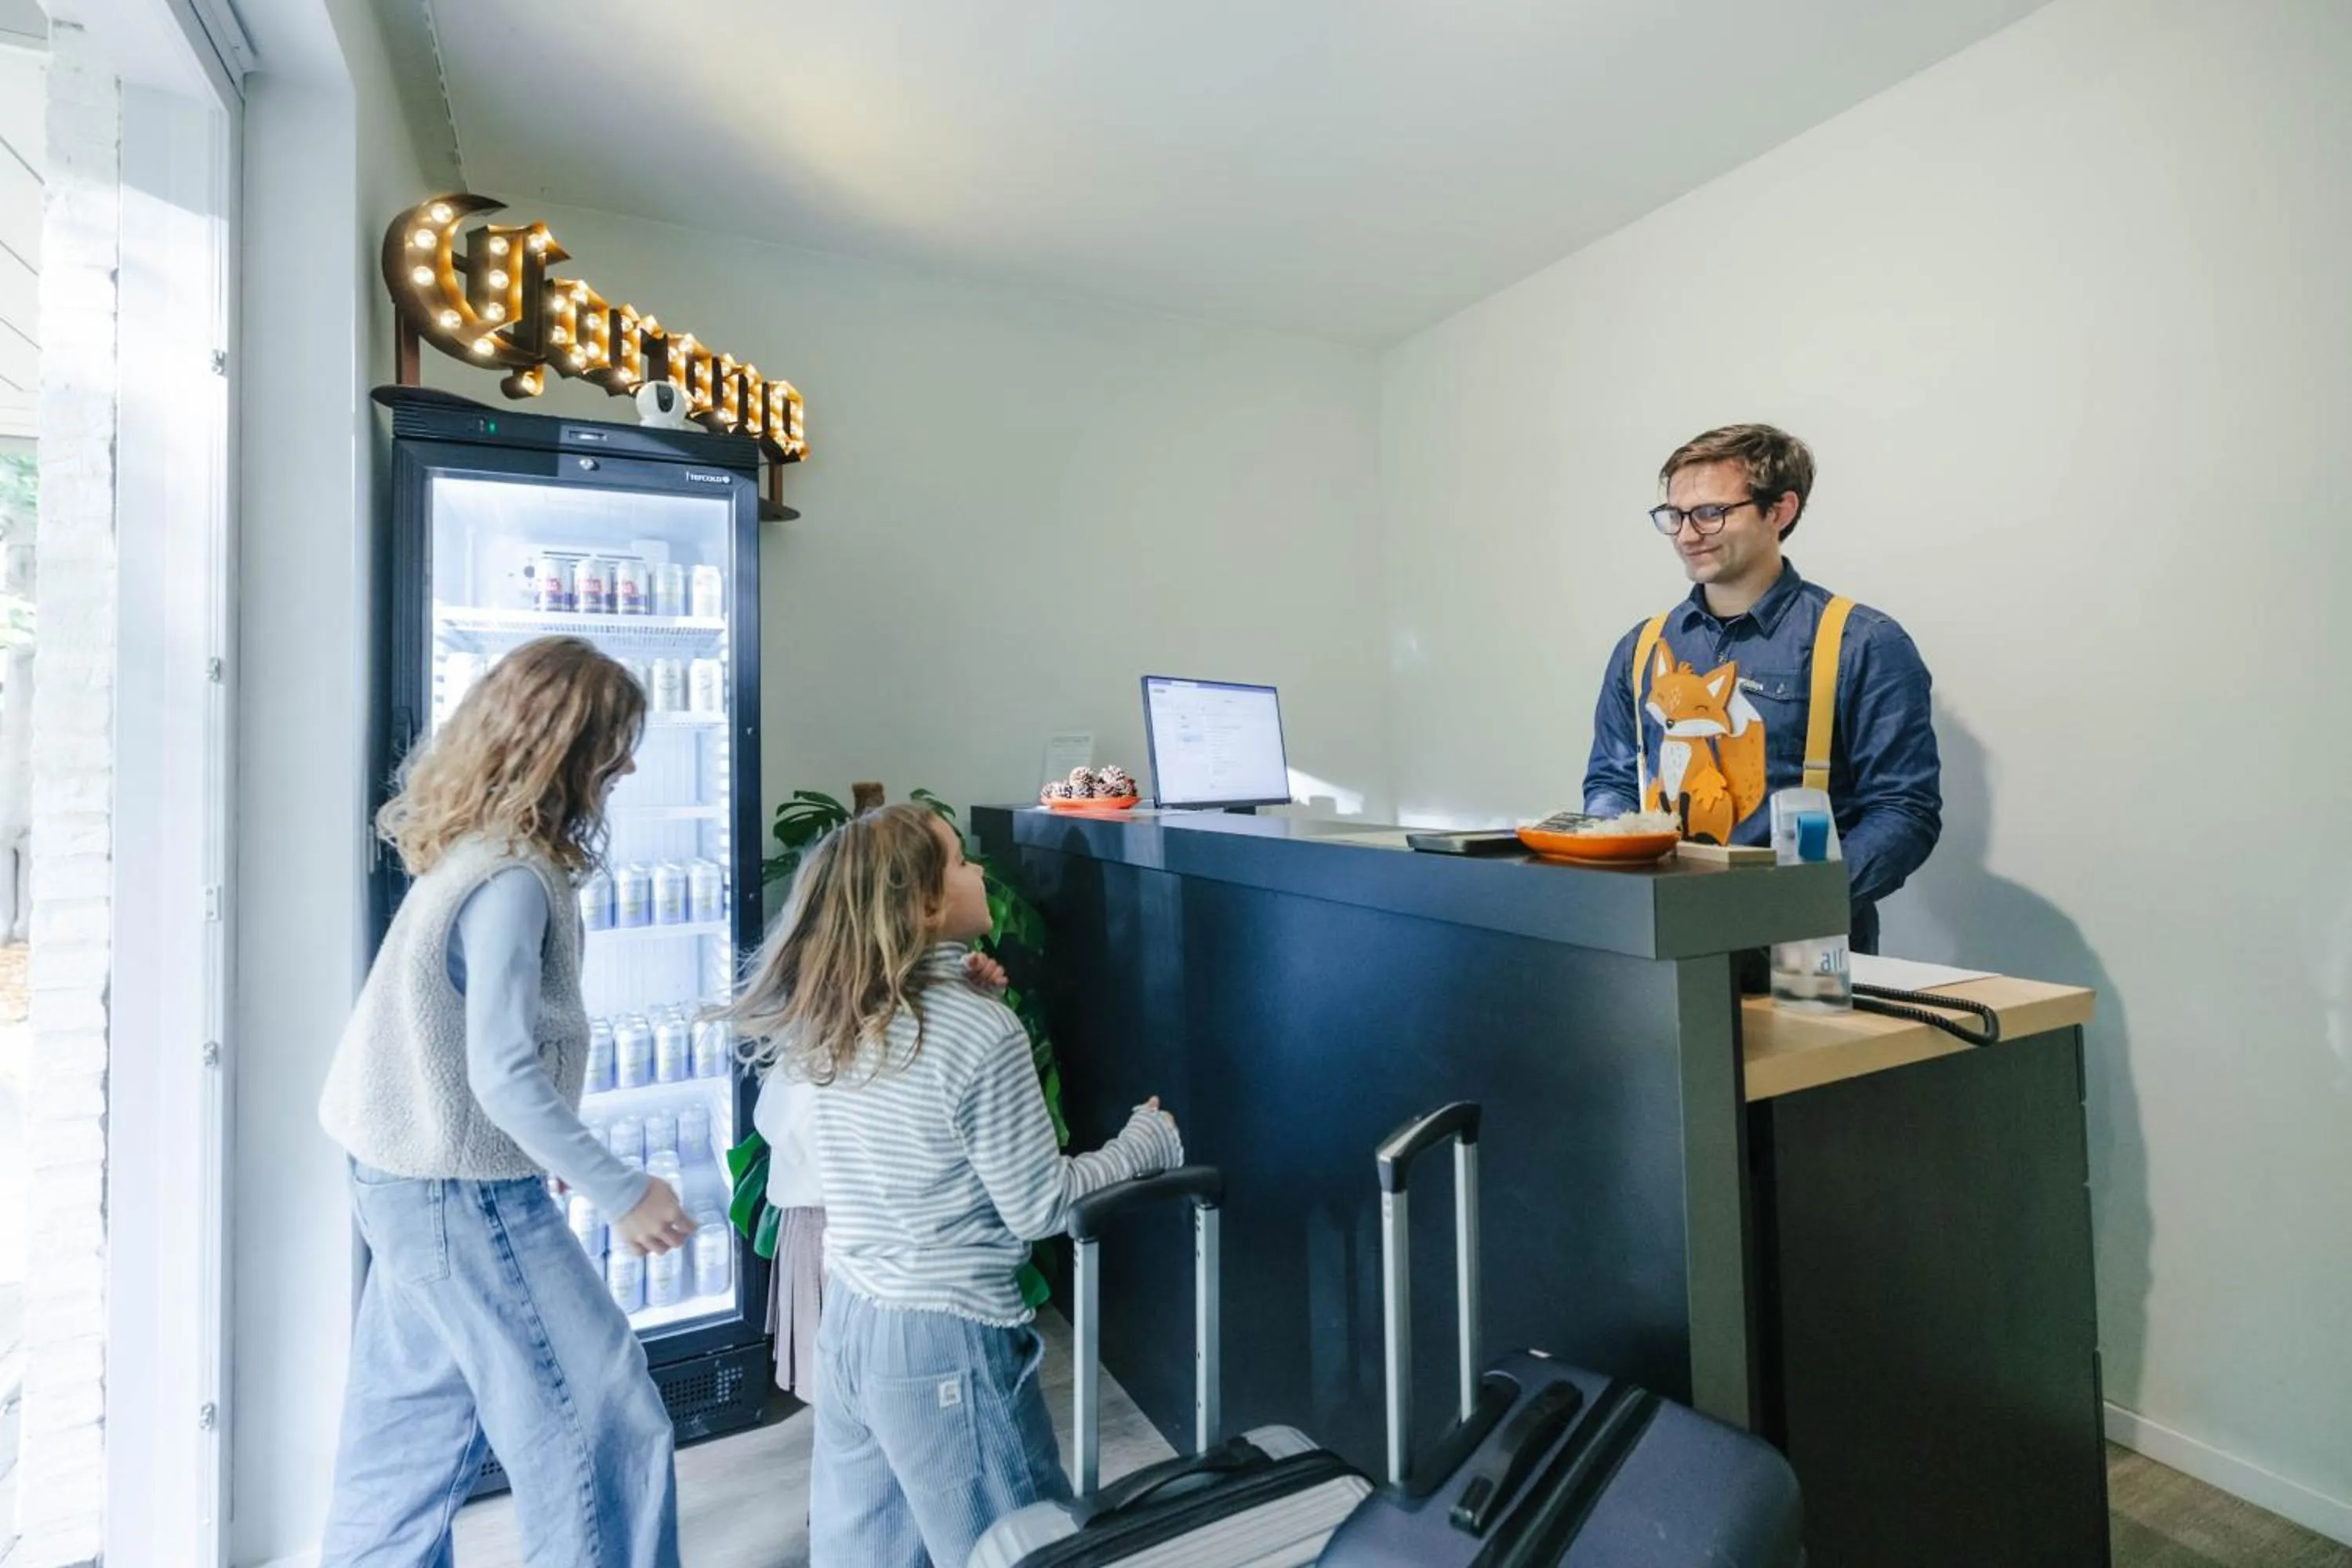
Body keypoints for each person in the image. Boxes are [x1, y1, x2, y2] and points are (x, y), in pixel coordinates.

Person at [727, 803, 1184, 1566]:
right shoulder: (978, 1030)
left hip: (852, 1321)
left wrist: (977, 1001)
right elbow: (1040, 1203)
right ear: (928, 904)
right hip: (944, 1338)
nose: (980, 871)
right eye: (963, 861)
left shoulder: (834, 1014)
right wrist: (1143, 1143)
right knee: (1020, 1549)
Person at [315, 635, 689, 1566]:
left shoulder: (472, 851)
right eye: (616, 742)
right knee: (604, 1425)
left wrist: (537, 1156)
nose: (630, 763)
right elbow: (502, 1072)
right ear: (566, 749)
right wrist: (620, 1187)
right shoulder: (515, 878)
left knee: (404, 1444)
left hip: (404, 1180)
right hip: (461, 1192)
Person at [1582, 424, 1941, 953]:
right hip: (1660, 941)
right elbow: (1613, 782)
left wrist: (1788, 910)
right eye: (1674, 516)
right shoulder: (1641, 648)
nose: (1686, 534)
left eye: (1710, 513)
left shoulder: (1862, 642)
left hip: (1804, 955)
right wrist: (1614, 866)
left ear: (1780, 510)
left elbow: (1902, 810)